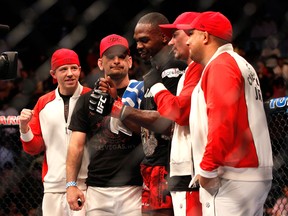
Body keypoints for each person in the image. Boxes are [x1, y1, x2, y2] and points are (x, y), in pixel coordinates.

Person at [95, 12, 203, 216]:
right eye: (136, 41)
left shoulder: (173, 67)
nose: (138, 46)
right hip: (152, 164)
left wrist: (120, 109)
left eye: (144, 40)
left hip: (168, 164)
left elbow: (167, 121)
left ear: (163, 37)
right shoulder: (154, 71)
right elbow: (145, 128)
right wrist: (116, 105)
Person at [177, 11, 273, 215]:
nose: (188, 42)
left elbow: (222, 121)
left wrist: (207, 169)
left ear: (205, 36)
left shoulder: (221, 64)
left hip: (234, 175)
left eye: (192, 34)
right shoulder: (239, 62)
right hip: (250, 173)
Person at [66, 34, 145, 216]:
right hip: (98, 189)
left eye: (122, 56)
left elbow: (149, 133)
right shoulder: (86, 100)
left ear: (130, 61)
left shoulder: (143, 93)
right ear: (101, 63)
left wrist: (117, 102)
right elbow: (76, 145)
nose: (116, 61)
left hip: (136, 187)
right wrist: (71, 185)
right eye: (111, 57)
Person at [19, 48, 91, 216]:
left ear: (80, 70)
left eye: (74, 68)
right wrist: (24, 128)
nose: (70, 73)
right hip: (53, 187)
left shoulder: (92, 97)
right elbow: (33, 148)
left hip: (86, 185)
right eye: (63, 69)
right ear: (53, 74)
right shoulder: (43, 103)